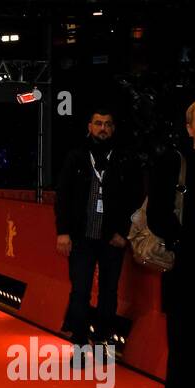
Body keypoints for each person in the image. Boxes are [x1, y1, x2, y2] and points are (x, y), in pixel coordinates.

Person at [54, 107, 143, 349]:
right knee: (80, 291)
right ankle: (79, 342)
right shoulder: (76, 157)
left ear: (113, 129)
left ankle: (104, 340)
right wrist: (63, 232)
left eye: (107, 124)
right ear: (89, 127)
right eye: (98, 123)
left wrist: (124, 233)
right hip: (81, 237)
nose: (102, 128)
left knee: (109, 293)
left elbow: (136, 199)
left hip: (112, 238)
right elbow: (63, 196)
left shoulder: (125, 159)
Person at [147, 99, 195, 388]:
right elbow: (157, 214)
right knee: (185, 355)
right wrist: (182, 243)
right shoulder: (174, 163)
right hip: (186, 274)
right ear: (190, 127)